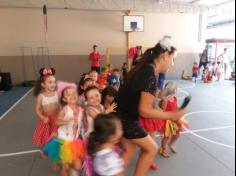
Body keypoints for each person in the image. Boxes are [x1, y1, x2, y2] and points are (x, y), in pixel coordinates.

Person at [115, 36, 186, 176]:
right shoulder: (149, 74)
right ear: (165, 55)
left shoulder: (145, 69)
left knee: (129, 150)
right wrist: (171, 115)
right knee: (152, 149)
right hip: (125, 119)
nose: (173, 63)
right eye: (173, 59)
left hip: (118, 115)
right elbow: (144, 111)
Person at [43, 82, 85, 176]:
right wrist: (67, 121)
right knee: (65, 167)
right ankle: (63, 168)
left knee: (78, 166)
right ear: (64, 98)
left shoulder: (80, 109)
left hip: (75, 141)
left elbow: (82, 122)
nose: (72, 96)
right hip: (63, 141)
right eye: (68, 94)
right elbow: (56, 122)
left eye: (74, 93)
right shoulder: (65, 110)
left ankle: (70, 171)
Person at [32, 68, 60, 151]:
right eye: (50, 82)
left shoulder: (56, 94)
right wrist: (42, 117)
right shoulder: (41, 96)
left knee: (56, 134)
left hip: (56, 118)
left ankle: (55, 148)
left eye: (54, 82)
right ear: (43, 84)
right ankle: (44, 149)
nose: (53, 84)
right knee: (46, 136)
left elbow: (59, 106)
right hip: (46, 119)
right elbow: (37, 109)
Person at [159, 81, 188, 158]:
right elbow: (162, 112)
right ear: (172, 90)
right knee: (167, 136)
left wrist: (180, 109)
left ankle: (171, 144)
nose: (177, 90)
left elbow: (176, 107)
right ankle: (163, 149)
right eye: (176, 88)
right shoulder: (165, 101)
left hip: (174, 118)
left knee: (177, 134)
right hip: (167, 120)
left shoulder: (175, 98)